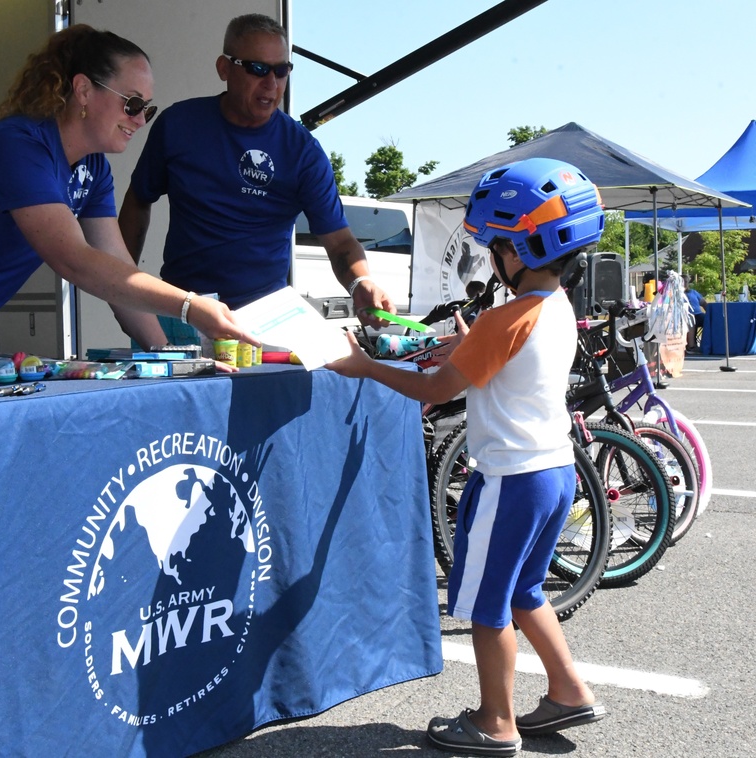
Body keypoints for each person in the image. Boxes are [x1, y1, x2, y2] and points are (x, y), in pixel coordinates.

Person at [327, 157, 608, 756]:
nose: (492, 257)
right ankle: (568, 689)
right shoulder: (553, 309)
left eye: (497, 246)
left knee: (485, 604)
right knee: (526, 589)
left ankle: (495, 722)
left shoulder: (500, 319)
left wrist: (363, 365)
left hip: (509, 481)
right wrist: (468, 339)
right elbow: (498, 354)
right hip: (555, 472)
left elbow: (434, 390)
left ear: (523, 248)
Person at [0, 25, 255, 376]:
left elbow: (118, 271)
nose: (139, 119)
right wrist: (190, 307)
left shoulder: (92, 169)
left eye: (147, 110)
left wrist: (171, 358)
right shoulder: (17, 146)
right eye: (132, 103)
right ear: (83, 90)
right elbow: (75, 260)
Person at [117, 13, 392, 339]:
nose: (271, 84)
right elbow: (138, 201)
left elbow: (341, 241)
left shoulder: (302, 150)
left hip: (266, 319)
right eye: (258, 69)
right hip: (184, 308)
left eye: (281, 71)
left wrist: (361, 282)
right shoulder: (177, 125)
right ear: (224, 68)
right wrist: (123, 287)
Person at [685, 285, 707, 351]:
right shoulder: (677, 294)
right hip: (686, 316)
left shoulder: (694, 292)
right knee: (691, 320)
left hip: (698, 314)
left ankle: (708, 343)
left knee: (710, 321)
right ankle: (691, 346)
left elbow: (703, 303)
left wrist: (710, 314)